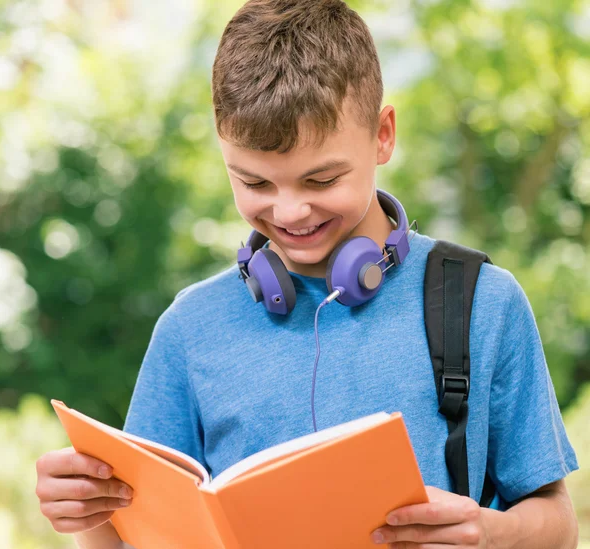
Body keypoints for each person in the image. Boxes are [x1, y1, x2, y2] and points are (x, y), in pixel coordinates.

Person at [35, 1, 580, 548]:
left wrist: (491, 534)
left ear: (383, 135)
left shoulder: (481, 301)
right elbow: (138, 537)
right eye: (255, 184)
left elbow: (557, 524)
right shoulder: (190, 328)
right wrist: (92, 513)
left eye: (321, 180)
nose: (290, 212)